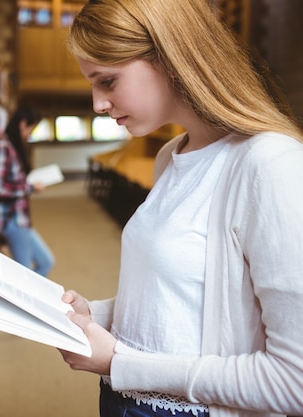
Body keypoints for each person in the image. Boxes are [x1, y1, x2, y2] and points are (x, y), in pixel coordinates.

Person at [58, 0, 303, 416]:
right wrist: (95, 314)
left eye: (109, 81)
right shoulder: (172, 155)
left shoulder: (270, 165)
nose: (98, 103)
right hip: (122, 398)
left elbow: (293, 382)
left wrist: (120, 364)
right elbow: (179, 302)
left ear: (170, 59)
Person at [0, 106, 55, 277]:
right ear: (22, 124)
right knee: (24, 273)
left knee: (46, 261)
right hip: (12, 220)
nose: (30, 134)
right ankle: (21, 302)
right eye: (31, 128)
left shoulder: (13, 146)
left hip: (21, 218)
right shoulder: (3, 147)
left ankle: (24, 300)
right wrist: (30, 187)